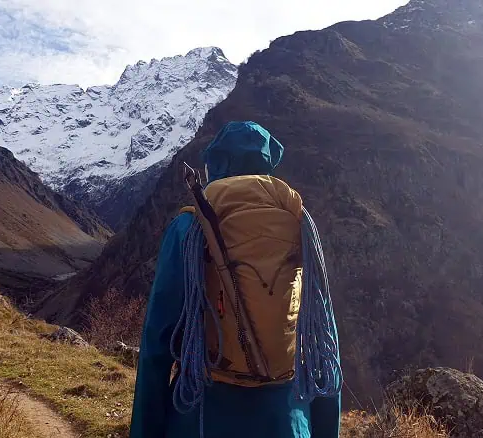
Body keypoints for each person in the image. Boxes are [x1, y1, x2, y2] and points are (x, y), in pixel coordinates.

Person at [129, 121, 341, 438]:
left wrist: (145, 431)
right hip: (286, 418)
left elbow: (157, 343)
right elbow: (324, 342)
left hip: (202, 416)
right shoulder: (300, 225)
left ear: (216, 163)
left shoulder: (189, 227)